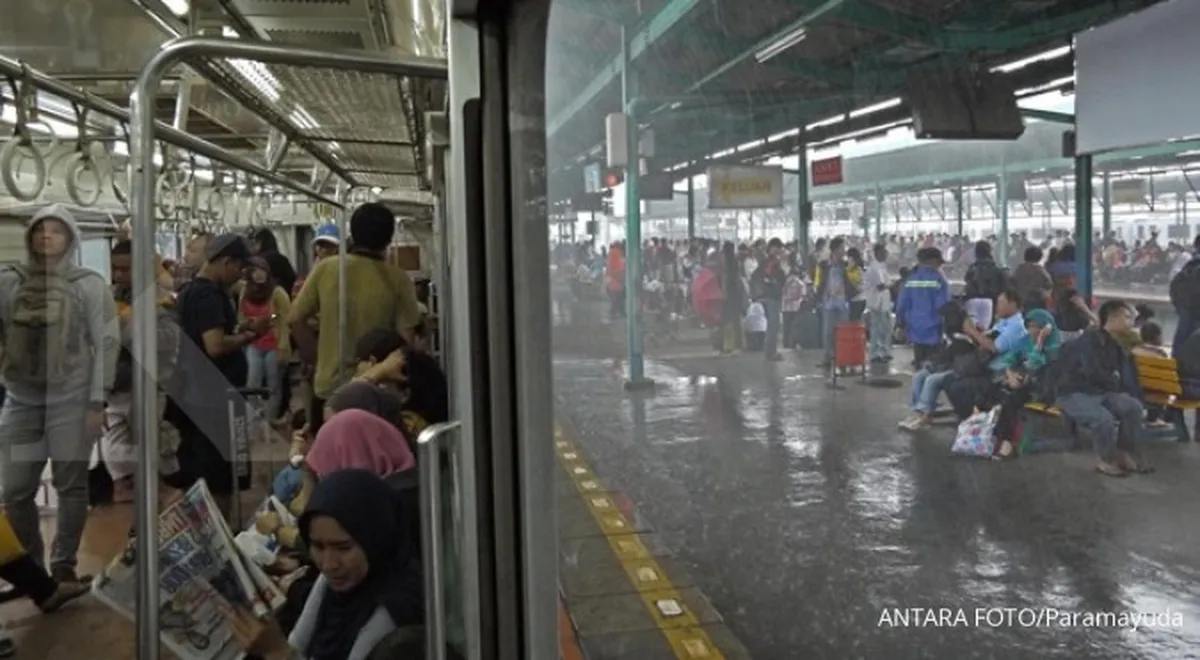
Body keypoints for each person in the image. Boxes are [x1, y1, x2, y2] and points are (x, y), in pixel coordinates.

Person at [0, 204, 119, 582]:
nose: (46, 236)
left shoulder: (88, 285)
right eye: (39, 230)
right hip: (20, 398)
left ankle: (64, 563)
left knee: (70, 483)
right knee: (16, 489)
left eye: (56, 231)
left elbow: (107, 342)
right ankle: (31, 567)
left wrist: (97, 400)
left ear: (70, 238)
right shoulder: (10, 281)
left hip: (72, 398)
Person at [225, 469, 426, 660]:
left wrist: (277, 652)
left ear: (375, 541)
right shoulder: (333, 581)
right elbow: (298, 643)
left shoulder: (394, 609)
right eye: (318, 546)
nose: (329, 564)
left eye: (344, 547)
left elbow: (288, 651)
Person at [289, 203, 424, 436]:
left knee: (327, 463)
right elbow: (406, 341)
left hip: (329, 387)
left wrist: (315, 356)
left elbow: (294, 319)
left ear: (352, 233)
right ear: (388, 238)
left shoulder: (327, 269)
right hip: (376, 389)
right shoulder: (397, 279)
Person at [170, 234, 266, 518]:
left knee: (198, 470)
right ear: (227, 262)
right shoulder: (209, 294)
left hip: (195, 393)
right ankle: (221, 540)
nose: (240, 276)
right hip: (213, 399)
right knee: (218, 476)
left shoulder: (190, 291)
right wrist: (249, 336)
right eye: (239, 268)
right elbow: (214, 345)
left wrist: (239, 329)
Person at [102, 240, 188, 505]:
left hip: (148, 383)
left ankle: (158, 488)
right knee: (115, 448)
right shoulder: (107, 299)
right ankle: (127, 483)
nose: (118, 275)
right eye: (115, 269)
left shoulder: (160, 301)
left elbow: (167, 341)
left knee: (152, 441)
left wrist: (126, 329)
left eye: (125, 269)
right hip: (115, 386)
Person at [1051, 301, 1149, 477]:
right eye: (1126, 317)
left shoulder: (1115, 343)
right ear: (1113, 318)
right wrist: (1114, 382)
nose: (1130, 322)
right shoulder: (1089, 341)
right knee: (1103, 419)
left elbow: (1122, 376)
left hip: (1099, 392)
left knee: (1133, 407)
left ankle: (1123, 452)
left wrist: (1124, 389)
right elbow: (1093, 372)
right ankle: (1106, 460)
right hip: (1073, 392)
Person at [989, 309, 1062, 458]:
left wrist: (1040, 341)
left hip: (1045, 390)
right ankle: (1000, 439)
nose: (1032, 330)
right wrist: (1010, 374)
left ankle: (1006, 444)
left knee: (1011, 400)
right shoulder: (1024, 341)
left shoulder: (1054, 347)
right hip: (1025, 385)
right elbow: (1007, 360)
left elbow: (1034, 364)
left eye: (1037, 327)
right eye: (1030, 326)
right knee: (998, 393)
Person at [239, 256, 292, 425]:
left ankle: (269, 420)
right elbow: (240, 316)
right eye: (254, 270)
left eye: (262, 270)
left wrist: (270, 318)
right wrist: (247, 324)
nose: (259, 274)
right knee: (252, 382)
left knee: (273, 383)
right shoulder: (245, 291)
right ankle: (253, 421)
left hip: (274, 344)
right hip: (254, 343)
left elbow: (286, 317)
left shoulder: (277, 292)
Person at [896, 247, 950, 366]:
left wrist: (900, 324)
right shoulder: (939, 280)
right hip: (934, 330)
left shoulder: (910, 278)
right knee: (934, 366)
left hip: (915, 329)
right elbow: (944, 306)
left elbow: (902, 303)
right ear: (932, 261)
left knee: (919, 364)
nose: (939, 266)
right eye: (938, 263)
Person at [812, 237, 855, 373]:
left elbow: (852, 280)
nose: (844, 251)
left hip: (842, 303)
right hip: (828, 302)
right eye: (842, 248)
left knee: (843, 333)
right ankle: (827, 358)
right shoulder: (824, 265)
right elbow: (818, 282)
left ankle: (842, 359)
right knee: (828, 332)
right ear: (835, 249)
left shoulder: (845, 265)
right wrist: (818, 297)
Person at [749, 238, 787, 361]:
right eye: (778, 248)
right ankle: (771, 353)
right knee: (773, 326)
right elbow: (770, 277)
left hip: (766, 295)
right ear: (772, 248)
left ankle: (770, 351)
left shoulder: (768, 261)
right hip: (770, 296)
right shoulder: (772, 262)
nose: (780, 251)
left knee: (772, 325)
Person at [963, 240, 1007, 329]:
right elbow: (1004, 287)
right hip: (992, 301)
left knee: (974, 328)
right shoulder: (997, 269)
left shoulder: (972, 268)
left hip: (973, 300)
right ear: (990, 252)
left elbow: (966, 280)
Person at [863, 243, 893, 363]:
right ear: (877, 253)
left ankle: (884, 352)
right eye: (883, 251)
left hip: (884, 303)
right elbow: (881, 286)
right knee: (876, 329)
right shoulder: (874, 269)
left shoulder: (882, 267)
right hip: (877, 303)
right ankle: (875, 354)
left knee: (885, 329)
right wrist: (892, 285)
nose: (886, 254)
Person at [252, 228, 298, 297]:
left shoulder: (259, 261)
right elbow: (293, 278)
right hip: (284, 299)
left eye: (255, 243)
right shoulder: (282, 259)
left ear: (260, 242)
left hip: (264, 301)